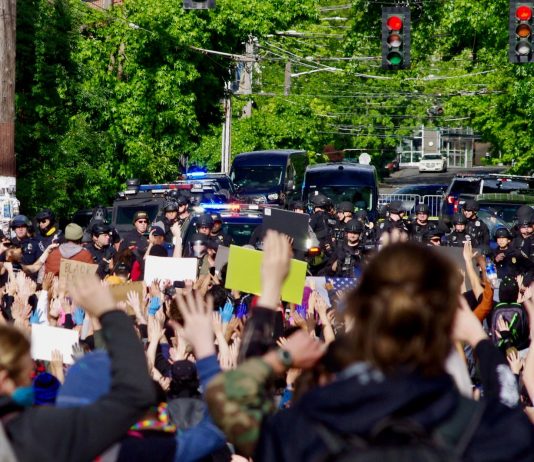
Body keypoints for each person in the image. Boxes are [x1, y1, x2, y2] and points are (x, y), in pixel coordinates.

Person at [205, 234, 534, 461]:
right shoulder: (482, 429)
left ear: (359, 316)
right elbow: (505, 399)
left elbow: (231, 398)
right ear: (445, 326)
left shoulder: (309, 425)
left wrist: (271, 294)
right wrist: (478, 339)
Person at [0, 275, 156, 461]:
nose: (30, 382)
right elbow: (135, 396)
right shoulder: (41, 430)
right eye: (27, 377)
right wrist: (108, 311)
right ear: (3, 379)